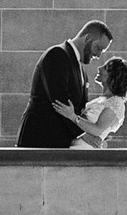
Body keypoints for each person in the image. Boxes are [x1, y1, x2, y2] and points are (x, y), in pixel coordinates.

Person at [14, 19, 112, 147]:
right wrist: (84, 134)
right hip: (40, 140)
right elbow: (59, 102)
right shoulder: (57, 55)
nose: (98, 55)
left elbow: (78, 109)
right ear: (87, 38)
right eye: (98, 48)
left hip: (61, 143)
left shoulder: (81, 69)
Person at [56, 54, 127, 149]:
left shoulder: (116, 102)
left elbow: (97, 130)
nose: (99, 68)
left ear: (113, 76)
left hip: (85, 148)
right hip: (76, 145)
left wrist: (72, 116)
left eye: (105, 68)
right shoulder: (102, 99)